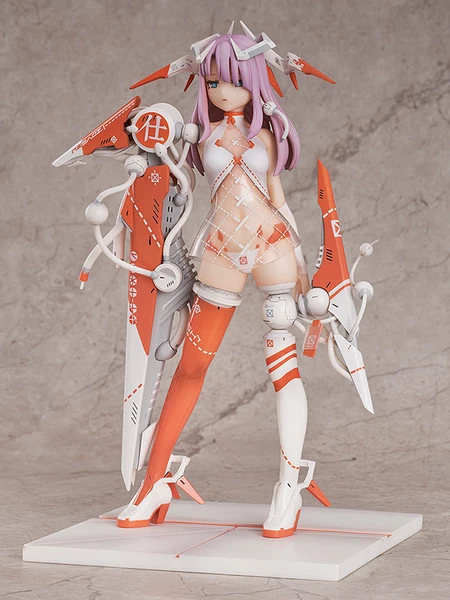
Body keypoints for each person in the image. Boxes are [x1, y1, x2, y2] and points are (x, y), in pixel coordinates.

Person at [118, 30, 316, 538]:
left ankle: (288, 488)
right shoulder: (197, 136)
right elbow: (168, 173)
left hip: (273, 244)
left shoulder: (267, 134)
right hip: (222, 247)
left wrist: (300, 259)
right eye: (212, 82)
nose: (222, 92)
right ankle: (153, 483)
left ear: (254, 80)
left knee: (283, 367)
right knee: (192, 365)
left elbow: (278, 196)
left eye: (232, 82)